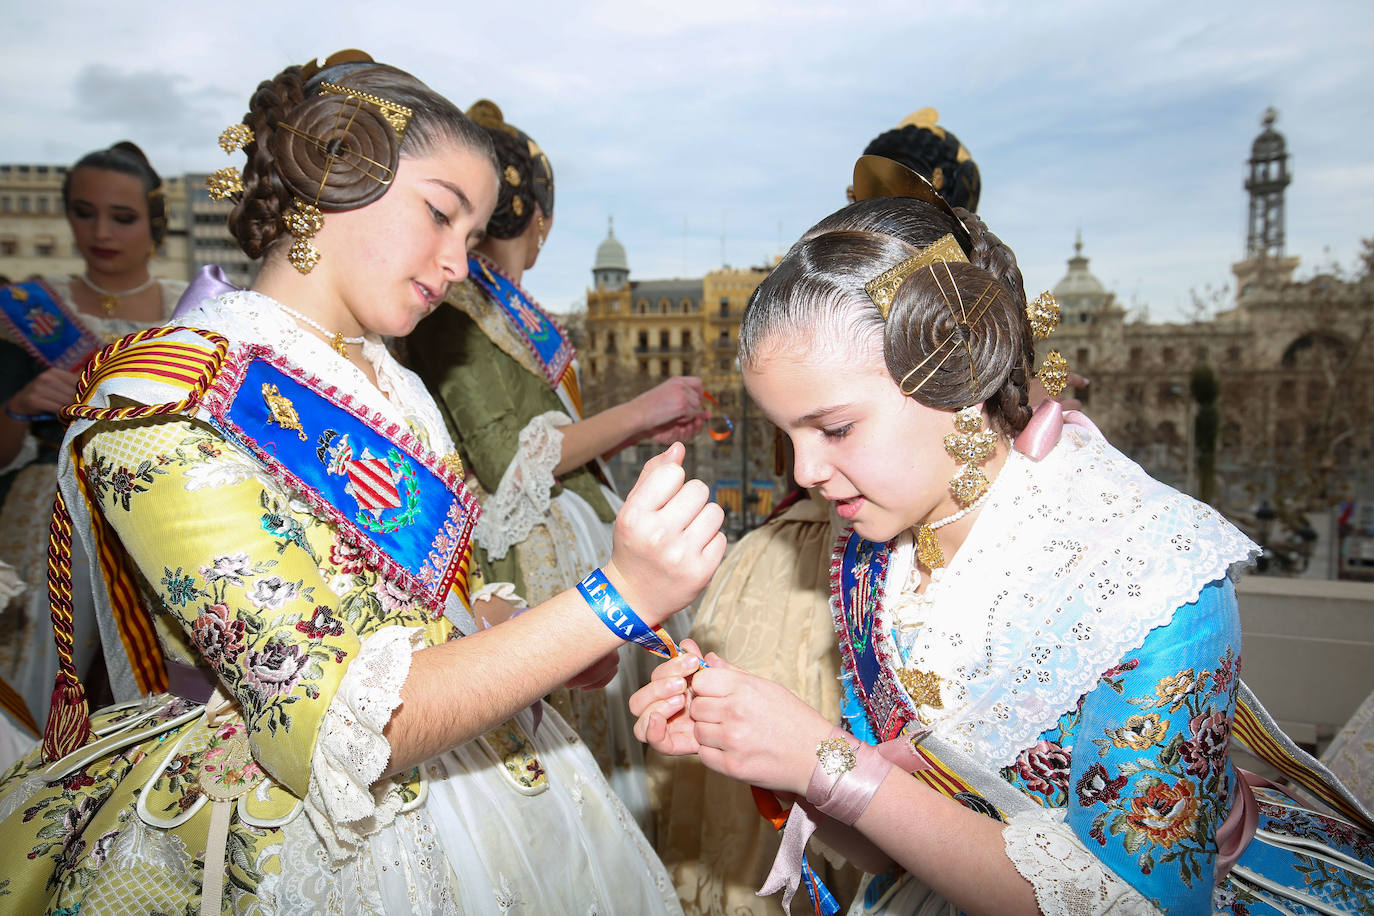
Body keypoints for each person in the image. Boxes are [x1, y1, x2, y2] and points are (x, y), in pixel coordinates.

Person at [0, 51, 722, 914]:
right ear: (334, 174)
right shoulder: (164, 400)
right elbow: (349, 720)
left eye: (473, 234)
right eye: (440, 214)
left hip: (490, 785)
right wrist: (615, 596)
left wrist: (542, 638)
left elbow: (437, 613)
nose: (459, 263)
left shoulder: (394, 381)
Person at [633, 179, 1374, 914]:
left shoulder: (1147, 572)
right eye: (784, 433)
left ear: (957, 374)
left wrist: (823, 761)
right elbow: (892, 850)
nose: (803, 472)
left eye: (834, 429)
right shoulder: (873, 559)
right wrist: (769, 746)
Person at [404, 99, 704, 828]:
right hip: (534, 560)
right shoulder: (460, 307)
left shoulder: (501, 308)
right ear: (537, 218)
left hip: (572, 539)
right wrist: (642, 411)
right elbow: (509, 461)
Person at [0, 142, 187, 724]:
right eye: (83, 212)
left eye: (122, 217)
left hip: (162, 508)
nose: (100, 231)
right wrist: (18, 407)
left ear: (154, 223)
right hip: (51, 516)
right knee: (37, 682)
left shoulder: (193, 313)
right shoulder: (25, 310)